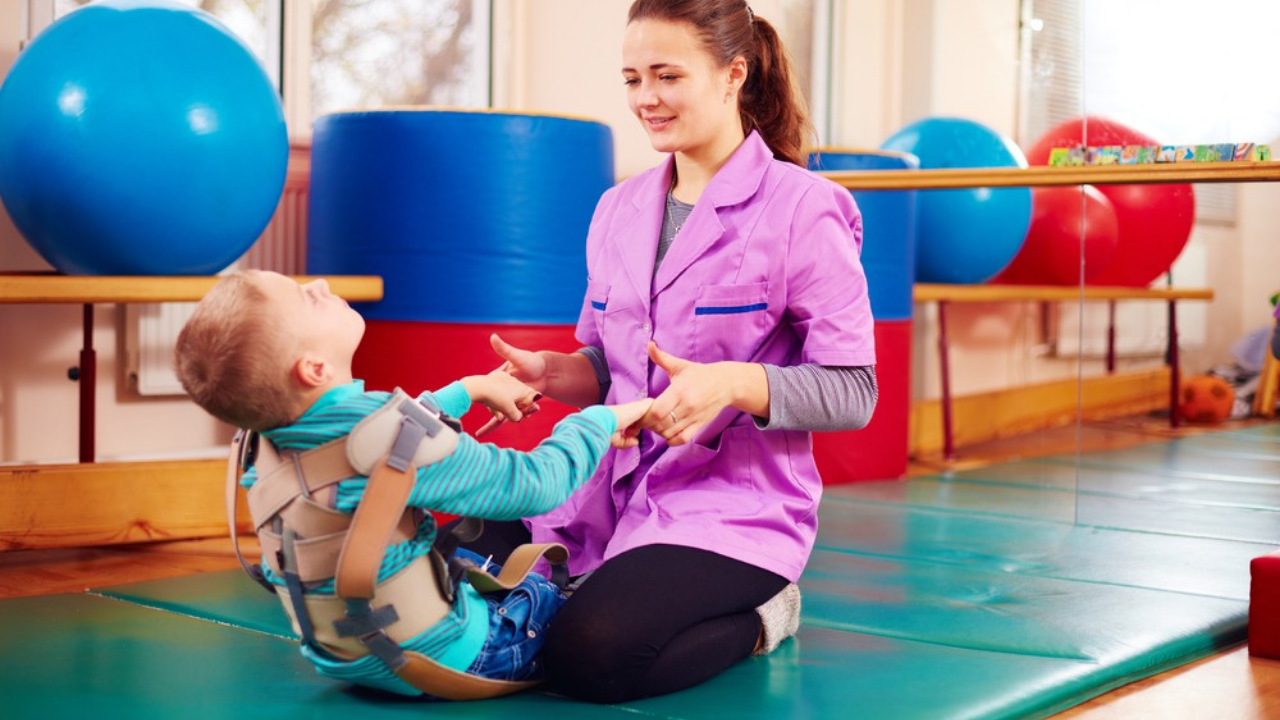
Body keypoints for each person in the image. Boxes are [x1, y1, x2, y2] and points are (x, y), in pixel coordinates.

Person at [464, 0, 878, 703]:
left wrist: (734, 384)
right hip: (603, 488)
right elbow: (608, 367)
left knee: (591, 655)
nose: (645, 99)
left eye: (667, 76)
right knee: (449, 573)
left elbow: (854, 391)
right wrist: (551, 372)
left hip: (729, 506)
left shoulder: (805, 208)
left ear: (733, 74)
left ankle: (765, 615)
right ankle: (588, 586)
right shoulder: (615, 210)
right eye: (632, 79)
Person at [173, 269, 652, 698]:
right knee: (577, 604)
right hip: (457, 656)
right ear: (315, 369)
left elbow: (382, 436)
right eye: (306, 298)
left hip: (351, 655)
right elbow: (535, 485)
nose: (318, 284)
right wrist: (594, 422)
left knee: (473, 562)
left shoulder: (265, 441)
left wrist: (468, 390)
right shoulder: (384, 439)